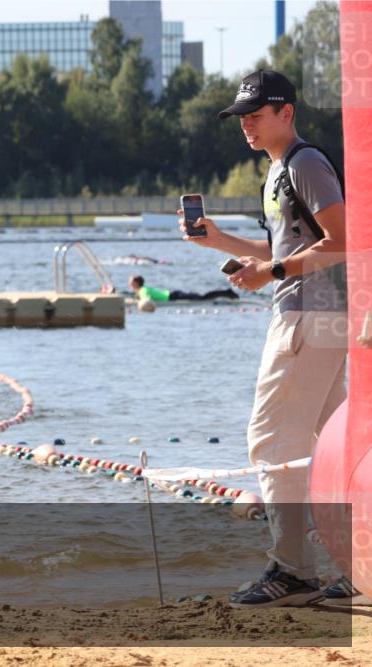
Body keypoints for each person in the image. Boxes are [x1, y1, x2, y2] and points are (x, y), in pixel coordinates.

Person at [182, 70, 352, 607]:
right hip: (320, 316)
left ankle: (293, 571)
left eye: (256, 115)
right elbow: (281, 243)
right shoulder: (280, 170)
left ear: (287, 113)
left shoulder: (304, 163)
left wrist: (274, 273)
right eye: (241, 118)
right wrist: (218, 241)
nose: (246, 125)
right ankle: (355, 569)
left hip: (307, 316)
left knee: (270, 441)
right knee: (333, 447)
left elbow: (342, 241)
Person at [128, 275, 238, 302]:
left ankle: (226, 292)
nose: (129, 283)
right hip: (173, 294)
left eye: (131, 281)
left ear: (136, 283)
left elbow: (145, 301)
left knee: (203, 298)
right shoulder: (141, 290)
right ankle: (226, 292)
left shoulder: (143, 290)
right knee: (202, 297)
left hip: (174, 296)